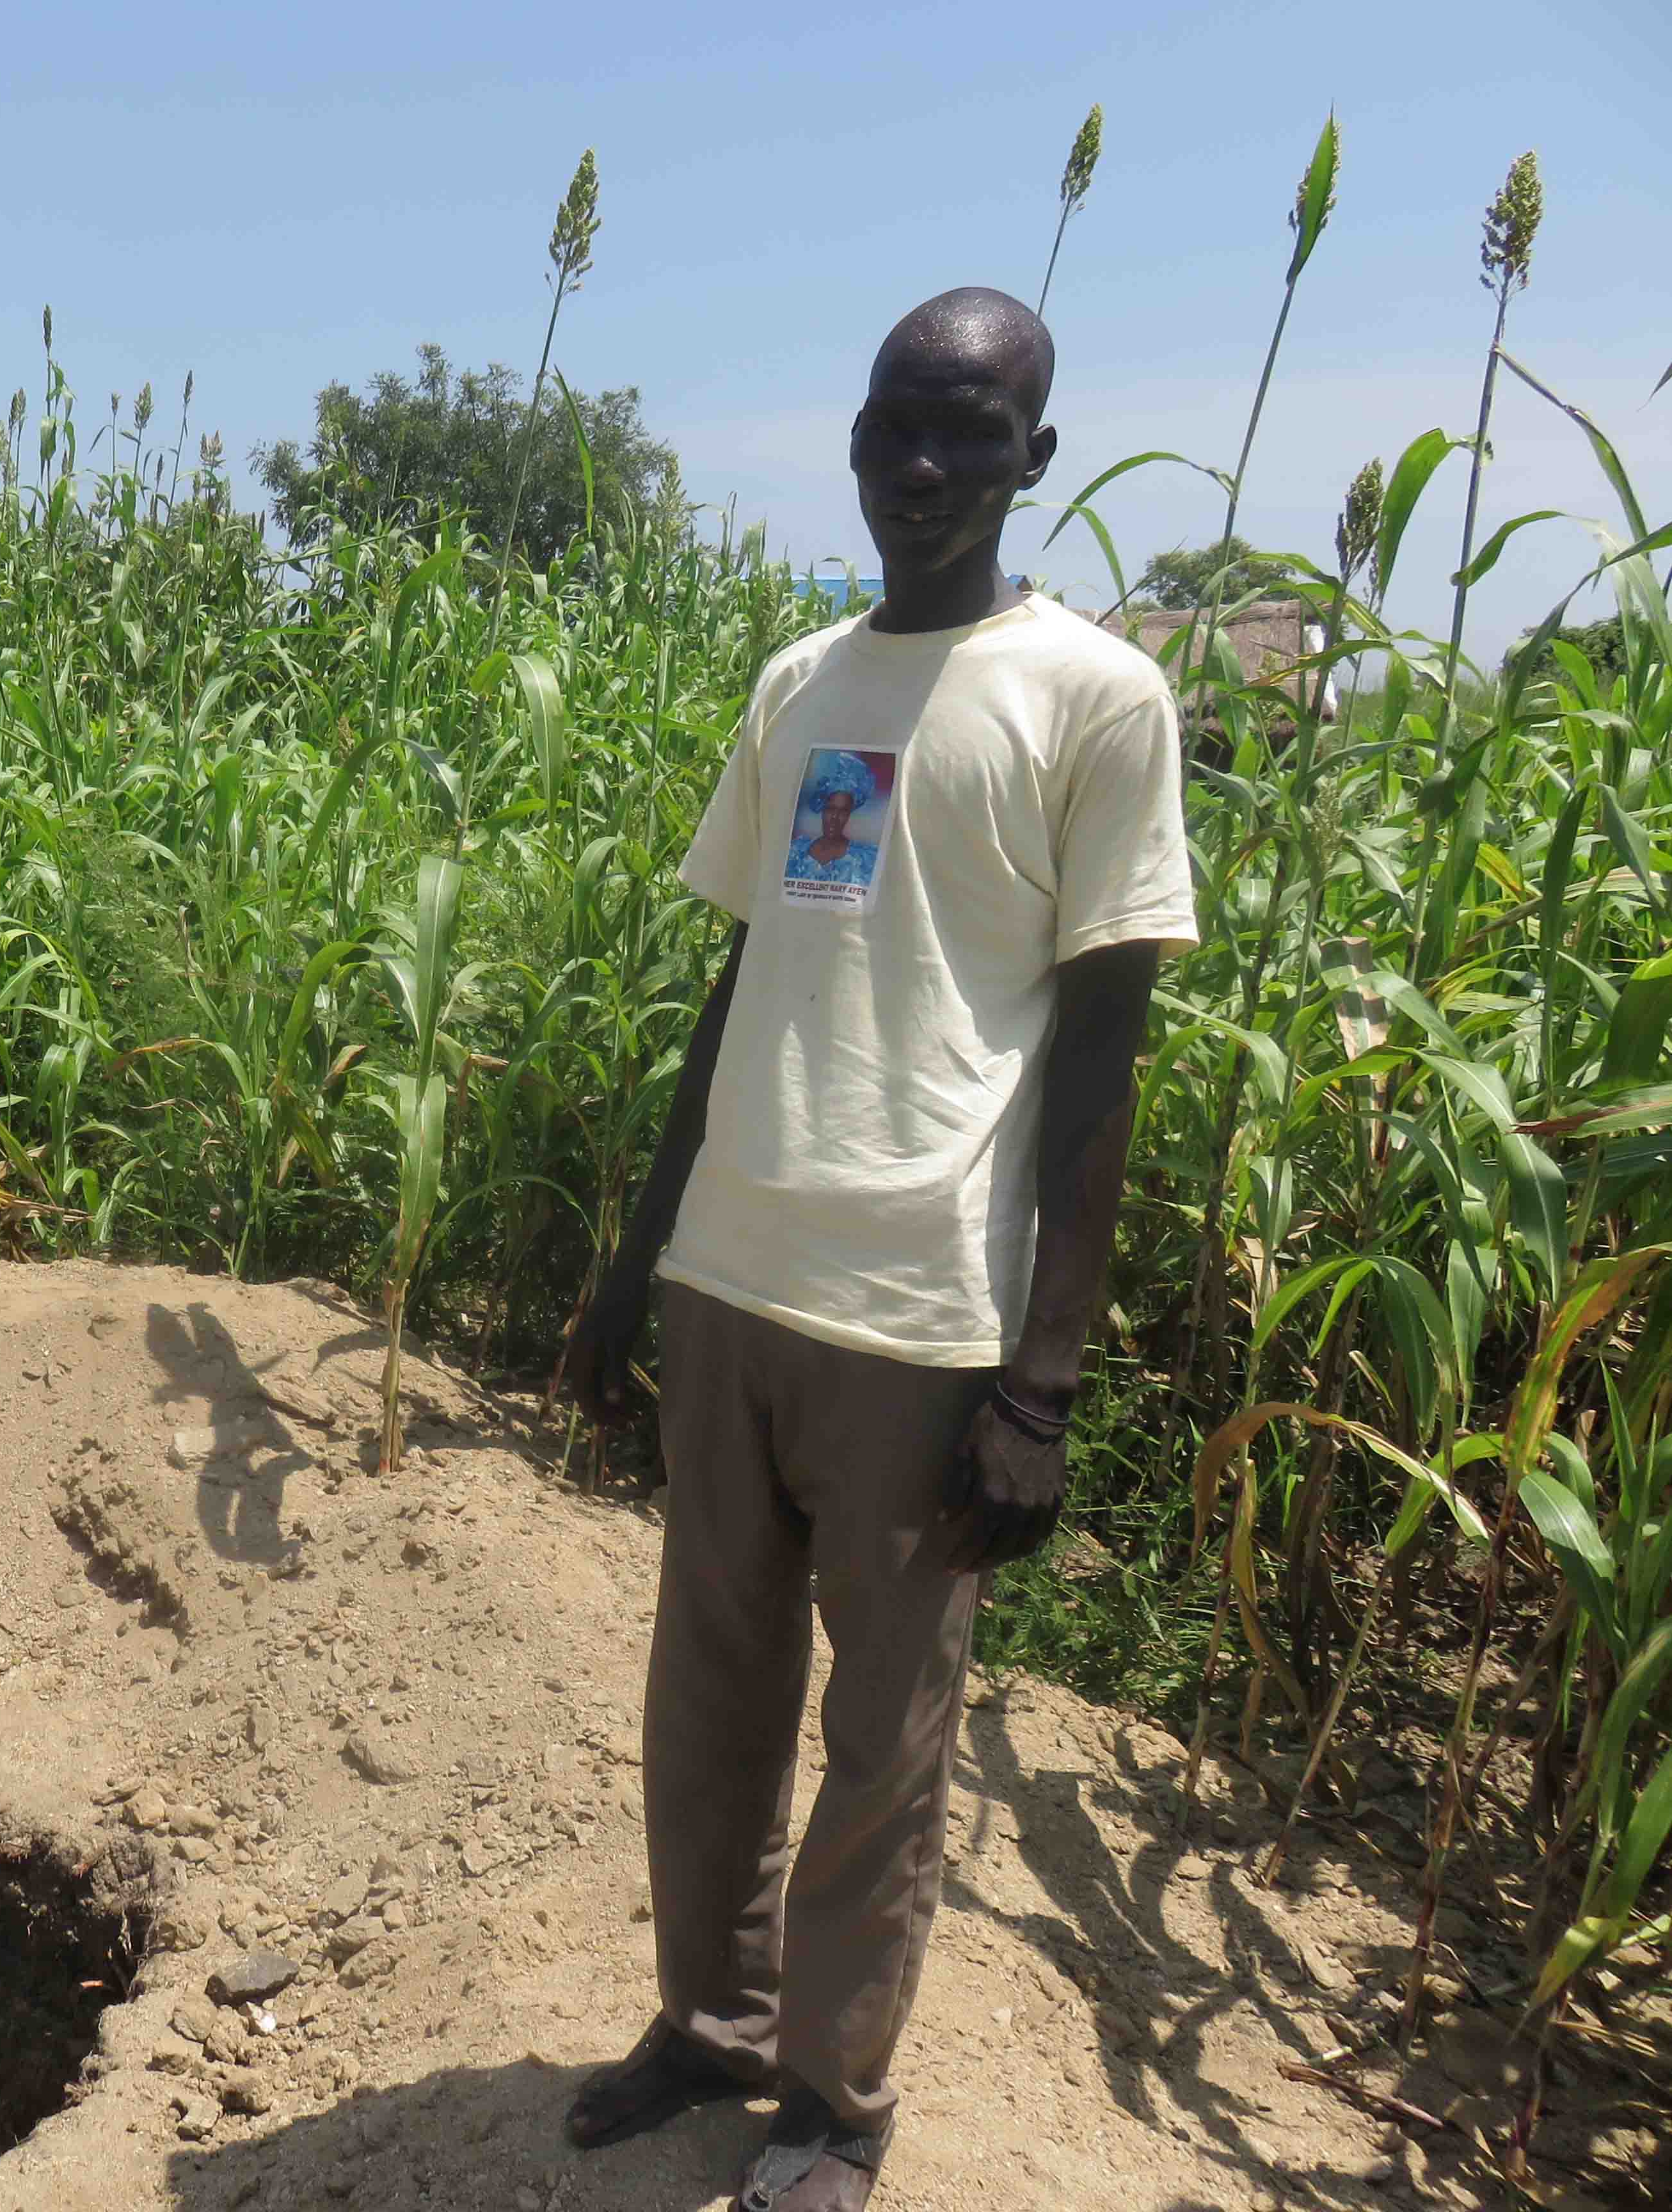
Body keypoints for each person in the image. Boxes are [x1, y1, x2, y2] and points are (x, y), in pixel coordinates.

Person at [558, 289, 1196, 2211]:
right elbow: (746, 979)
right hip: (733, 1279)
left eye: (967, 435)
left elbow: (1101, 1053)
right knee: (709, 1698)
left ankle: (833, 2105)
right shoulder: (799, 683)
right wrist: (633, 1256)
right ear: (853, 437)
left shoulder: (1093, 698)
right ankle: (711, 2022)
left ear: (1033, 460)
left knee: (881, 1739)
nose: (921, 471)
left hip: (922, 1316)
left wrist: (1044, 1380)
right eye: (892, 430)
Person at [784, 753, 880, 889]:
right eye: (830, 809)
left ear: (849, 815)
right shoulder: (796, 852)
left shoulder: (866, 859)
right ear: (822, 809)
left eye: (843, 811)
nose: (835, 817)